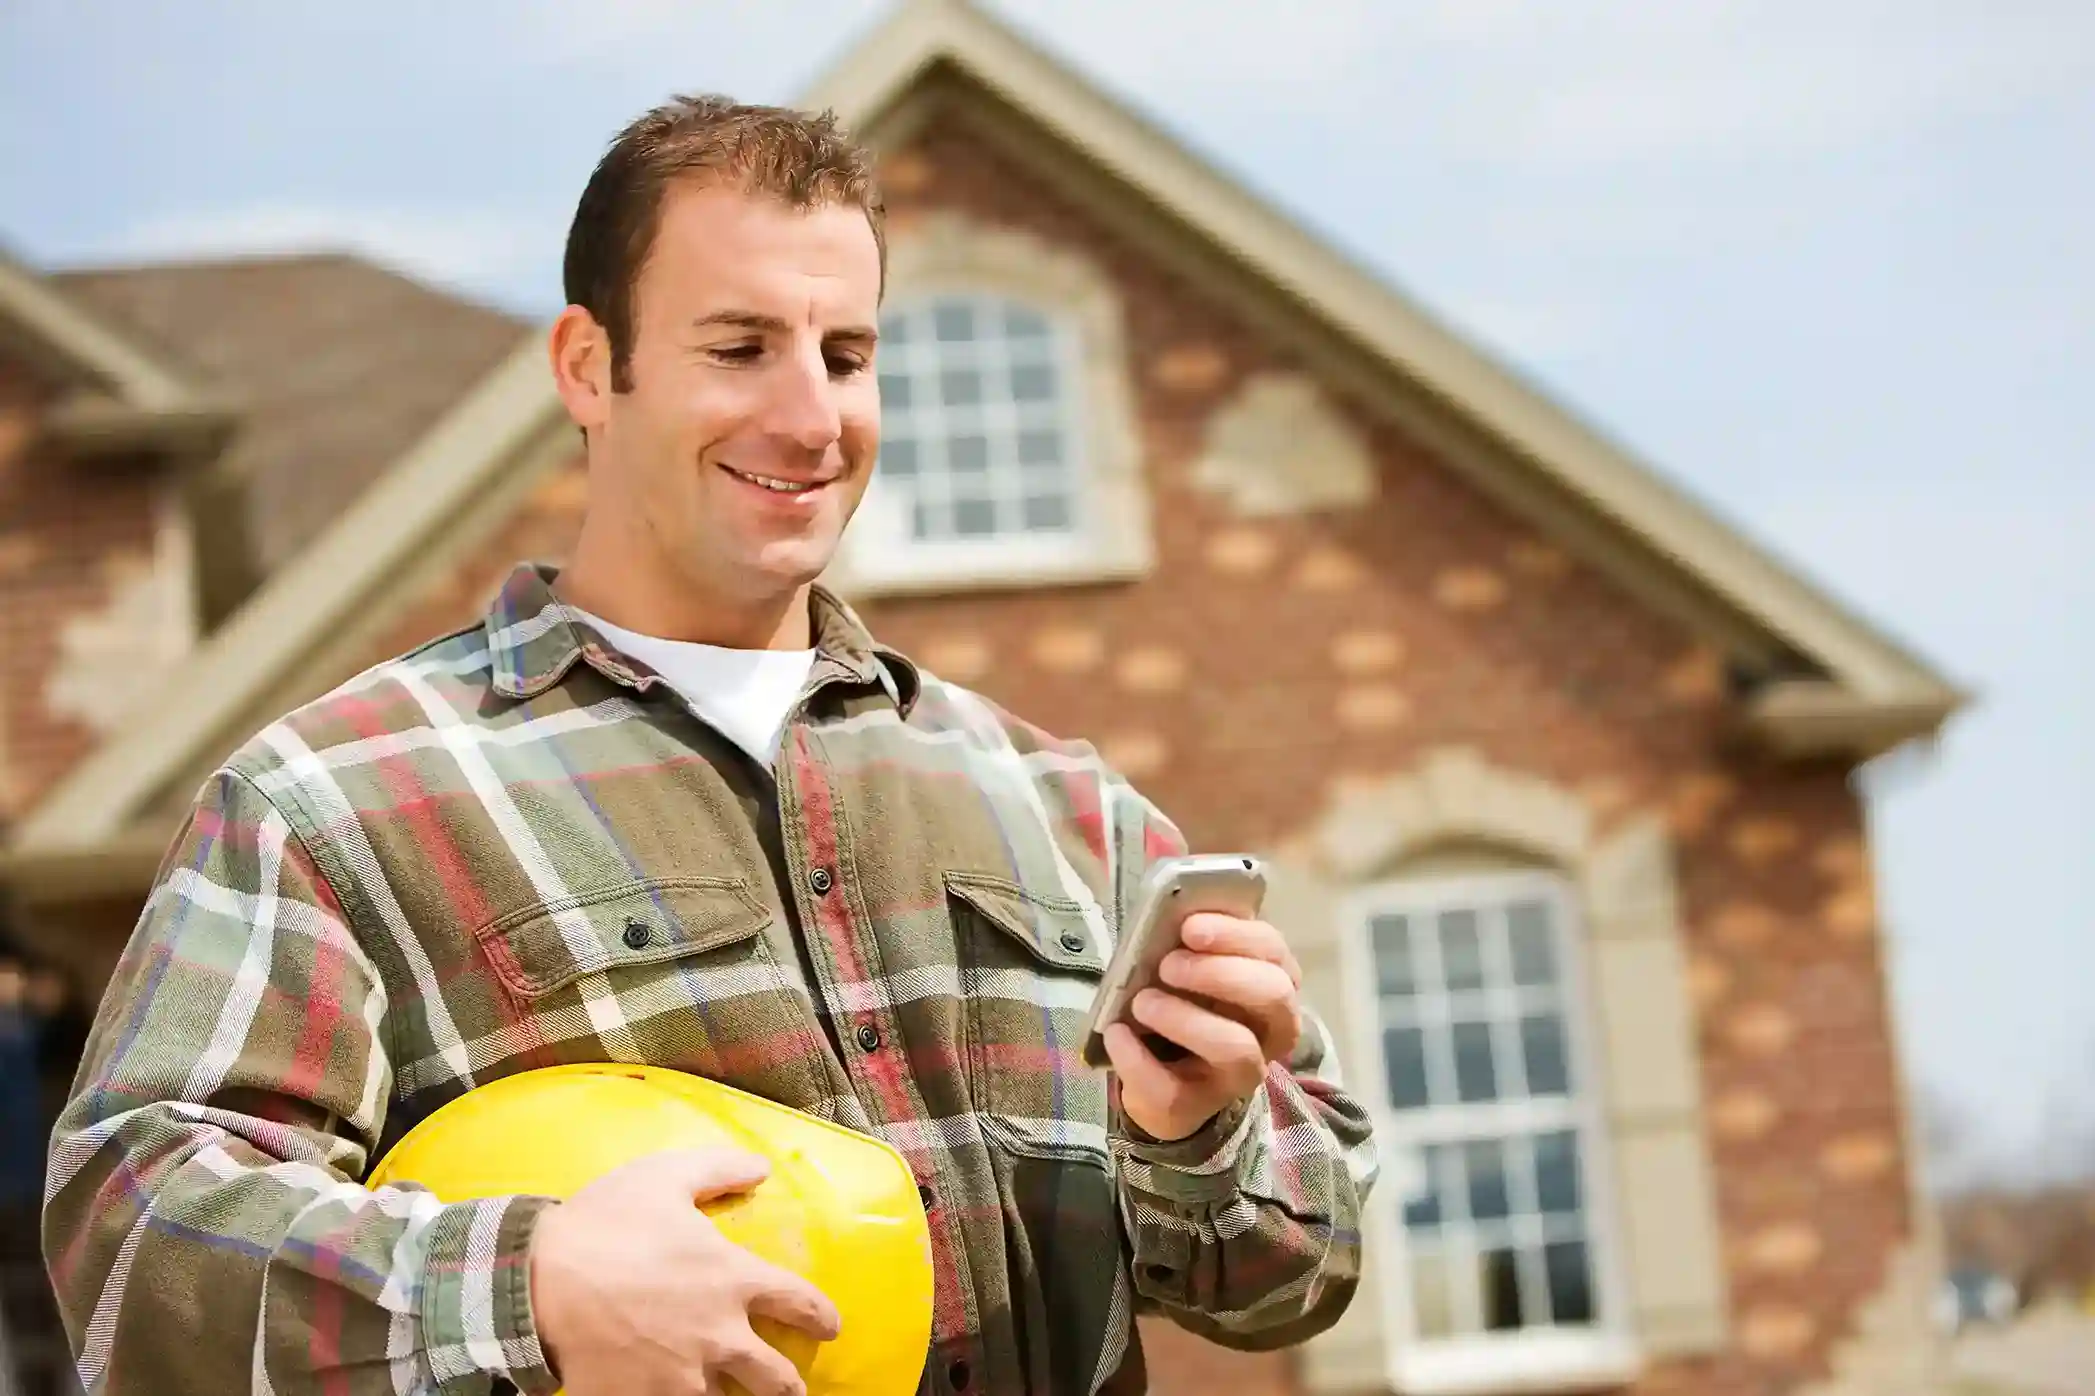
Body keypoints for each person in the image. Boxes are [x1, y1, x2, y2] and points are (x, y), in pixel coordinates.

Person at [42, 96, 1376, 1396]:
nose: (810, 419)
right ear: (586, 366)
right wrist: (526, 1285)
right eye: (739, 348)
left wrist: (1197, 1132)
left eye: (844, 356)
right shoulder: (334, 804)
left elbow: (1287, 1279)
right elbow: (133, 1234)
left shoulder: (1065, 809)